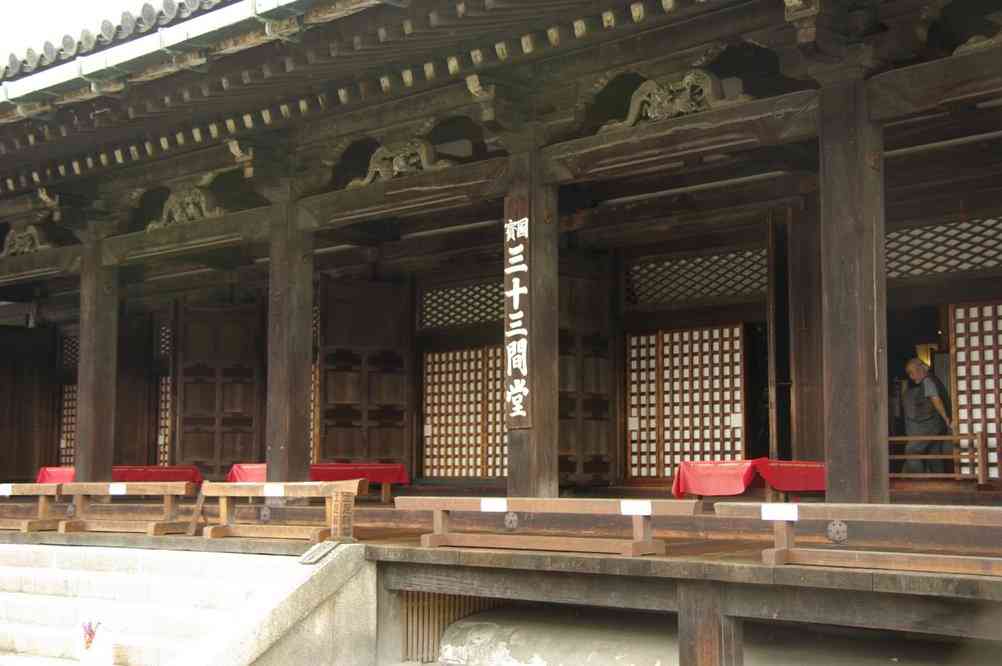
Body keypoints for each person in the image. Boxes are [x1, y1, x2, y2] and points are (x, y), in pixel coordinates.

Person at [900, 358, 953, 474]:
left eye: (911, 372)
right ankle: (940, 481)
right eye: (909, 374)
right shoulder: (933, 379)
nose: (911, 377)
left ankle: (919, 480)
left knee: (911, 451)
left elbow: (936, 400)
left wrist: (946, 418)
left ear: (920, 369)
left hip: (931, 426)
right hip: (938, 426)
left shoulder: (928, 381)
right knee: (933, 454)